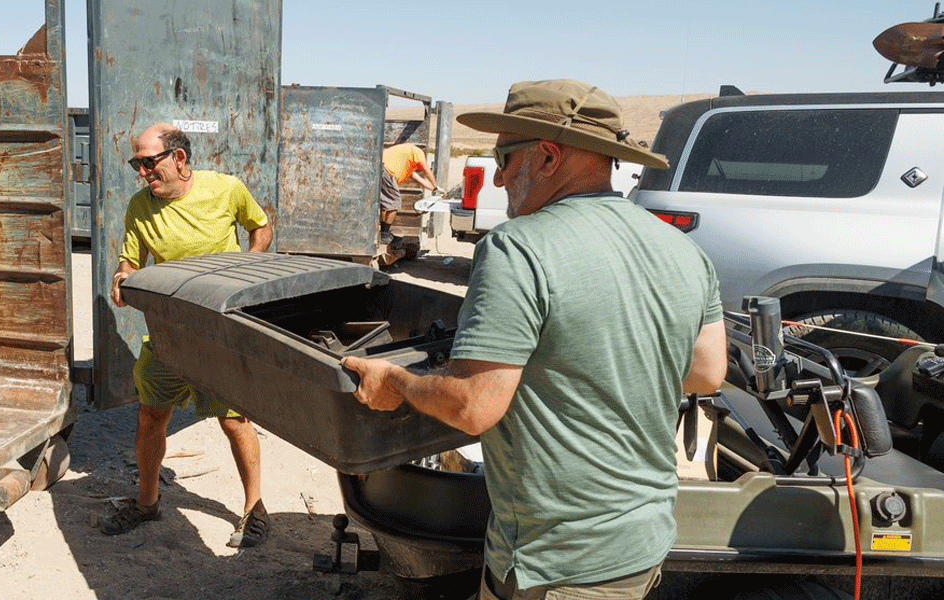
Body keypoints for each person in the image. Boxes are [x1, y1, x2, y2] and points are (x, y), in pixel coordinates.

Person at [342, 80, 726, 600]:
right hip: (644, 544)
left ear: (548, 156)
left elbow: (473, 407)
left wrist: (398, 382)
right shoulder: (681, 249)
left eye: (503, 157)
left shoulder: (516, 248)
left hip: (557, 564)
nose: (497, 177)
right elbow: (707, 372)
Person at [104, 122, 274, 548]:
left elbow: (261, 226)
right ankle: (147, 504)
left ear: (178, 159)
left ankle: (255, 509)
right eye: (136, 164)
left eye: (148, 162)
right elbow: (129, 260)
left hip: (221, 331)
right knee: (150, 416)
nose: (141, 173)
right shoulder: (139, 207)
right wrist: (123, 278)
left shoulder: (226, 189)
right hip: (170, 333)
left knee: (235, 420)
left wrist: (250, 269)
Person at [379, 141, 441, 243]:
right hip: (387, 171)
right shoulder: (418, 152)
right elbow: (426, 170)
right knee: (395, 202)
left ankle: (383, 232)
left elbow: (420, 180)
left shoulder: (407, 160)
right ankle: (384, 234)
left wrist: (436, 190)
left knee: (385, 203)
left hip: (380, 167)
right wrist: (436, 186)